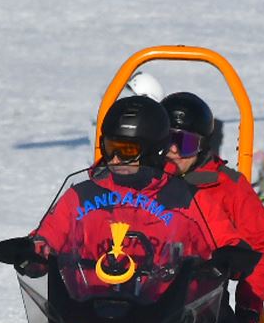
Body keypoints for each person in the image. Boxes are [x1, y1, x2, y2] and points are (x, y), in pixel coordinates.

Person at [31, 96, 212, 262]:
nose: (115, 159)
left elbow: (220, 238)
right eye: (111, 149)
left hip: (164, 295)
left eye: (126, 151)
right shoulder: (82, 196)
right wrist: (34, 252)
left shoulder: (184, 198)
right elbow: (49, 235)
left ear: (152, 151)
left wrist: (230, 253)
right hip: (90, 294)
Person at [160, 92, 264, 323]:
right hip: (137, 296)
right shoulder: (137, 180)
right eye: (167, 140)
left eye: (185, 144)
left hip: (201, 304)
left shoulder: (227, 187)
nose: (173, 150)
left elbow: (259, 247)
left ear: (202, 147)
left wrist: (249, 304)